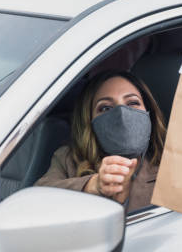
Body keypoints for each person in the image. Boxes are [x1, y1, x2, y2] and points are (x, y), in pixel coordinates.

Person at [36, 70, 167, 213]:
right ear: (89, 120)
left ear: (149, 112)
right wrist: (92, 185)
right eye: (105, 108)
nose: (121, 114)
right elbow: (36, 199)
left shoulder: (170, 160)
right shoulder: (69, 158)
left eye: (132, 103)